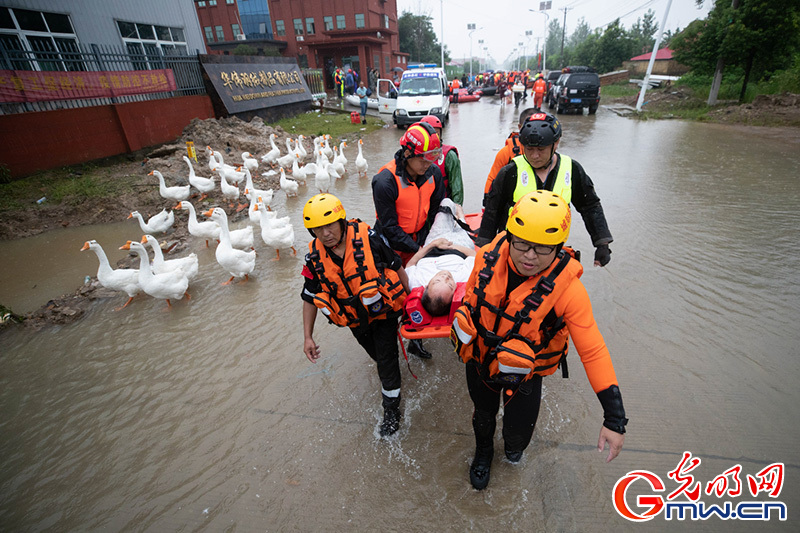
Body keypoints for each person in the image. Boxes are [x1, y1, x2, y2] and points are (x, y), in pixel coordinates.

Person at [452, 190, 628, 490]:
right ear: (509, 236)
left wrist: (615, 419)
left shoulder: (569, 291)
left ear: (558, 248)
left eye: (543, 248)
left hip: (525, 373)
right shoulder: (486, 257)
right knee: (483, 416)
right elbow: (472, 300)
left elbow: (593, 350)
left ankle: (511, 453)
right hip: (481, 362)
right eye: (521, 244)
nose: (530, 256)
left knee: (518, 436)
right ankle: (483, 452)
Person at [301, 193, 410, 437]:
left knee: (386, 362)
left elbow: (397, 268)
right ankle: (391, 378)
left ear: (341, 221)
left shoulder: (370, 240)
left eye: (329, 225)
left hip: (383, 312)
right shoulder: (314, 258)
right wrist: (307, 337)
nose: (325, 233)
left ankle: (392, 412)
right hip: (355, 319)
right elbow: (309, 297)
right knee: (379, 358)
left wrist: (410, 305)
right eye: (318, 229)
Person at [479, 111, 613, 267]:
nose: (535, 156)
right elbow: (492, 211)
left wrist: (601, 243)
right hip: (516, 250)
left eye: (541, 150)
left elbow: (590, 206)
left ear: (556, 143)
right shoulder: (510, 172)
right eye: (529, 149)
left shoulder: (572, 170)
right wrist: (485, 247)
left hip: (550, 250)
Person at [372, 122, 446, 359]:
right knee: (393, 294)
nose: (429, 164)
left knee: (421, 290)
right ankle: (388, 340)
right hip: (390, 245)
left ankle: (416, 338)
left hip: (418, 239)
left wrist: (426, 243)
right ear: (407, 154)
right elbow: (389, 227)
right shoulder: (385, 181)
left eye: (433, 158)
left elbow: (434, 212)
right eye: (424, 159)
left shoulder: (433, 173)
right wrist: (420, 250)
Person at [404, 199, 476, 316]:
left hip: (434, 243)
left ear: (426, 286)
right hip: (459, 246)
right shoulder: (464, 279)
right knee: (460, 227)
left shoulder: (417, 282)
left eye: (437, 280)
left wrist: (434, 244)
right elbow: (474, 255)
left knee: (446, 203)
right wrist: (452, 246)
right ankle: (461, 217)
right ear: (454, 291)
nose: (445, 276)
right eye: (450, 284)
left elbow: (410, 265)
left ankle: (457, 216)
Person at [483, 107, 538, 205]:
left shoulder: (549, 153)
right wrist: (487, 205)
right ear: (520, 127)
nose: (534, 130)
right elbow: (492, 179)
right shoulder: (506, 153)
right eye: (529, 125)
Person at [419, 115, 464, 208]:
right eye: (429, 135)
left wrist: (456, 209)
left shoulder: (449, 156)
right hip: (422, 207)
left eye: (436, 134)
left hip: (442, 207)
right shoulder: (415, 155)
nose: (433, 138)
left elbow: (457, 188)